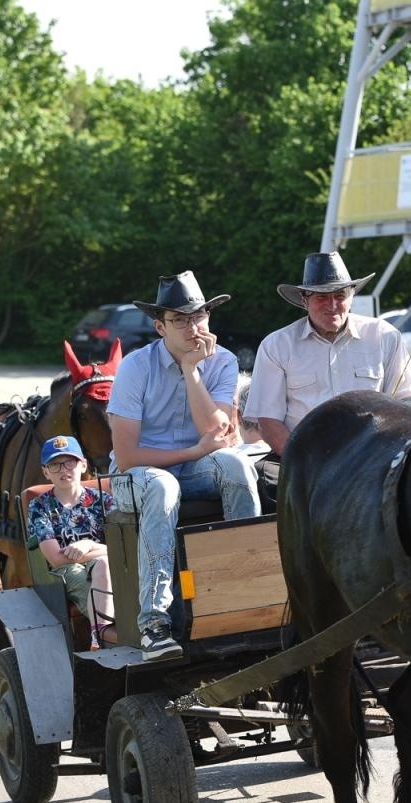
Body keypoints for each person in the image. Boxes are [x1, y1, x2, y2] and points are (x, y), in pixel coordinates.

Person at [107, 270, 260, 660]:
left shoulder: (223, 362)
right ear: (160, 327)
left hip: (193, 468)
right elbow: (127, 457)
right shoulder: (135, 367)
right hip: (134, 477)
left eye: (199, 316)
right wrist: (193, 453)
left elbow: (215, 431)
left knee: (239, 468)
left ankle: (244, 594)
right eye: (180, 320)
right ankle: (154, 625)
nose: (193, 327)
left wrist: (191, 371)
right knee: (163, 486)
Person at [244, 251, 411, 457]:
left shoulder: (385, 336)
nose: (332, 305)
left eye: (340, 296)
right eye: (322, 297)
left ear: (351, 297)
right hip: (304, 457)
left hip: (373, 456)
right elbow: (268, 421)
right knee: (260, 474)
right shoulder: (276, 346)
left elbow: (407, 405)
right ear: (304, 301)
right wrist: (302, 463)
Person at [28, 435, 115, 645]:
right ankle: (105, 634)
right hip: (65, 571)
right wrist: (102, 551)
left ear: (83, 465)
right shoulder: (39, 506)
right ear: (45, 472)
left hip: (105, 563)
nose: (63, 470)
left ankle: (100, 634)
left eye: (70, 462)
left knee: (104, 564)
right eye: (55, 465)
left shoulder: (104, 500)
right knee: (82, 572)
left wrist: (88, 545)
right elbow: (56, 559)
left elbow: (122, 547)